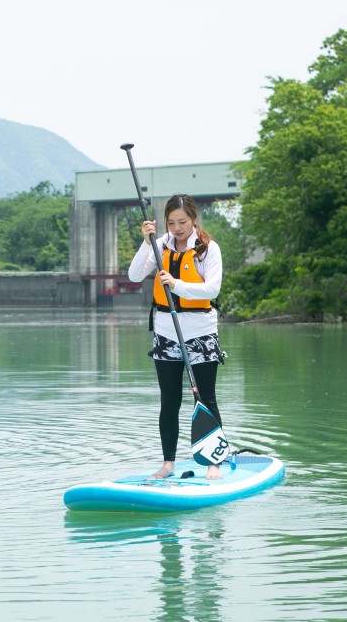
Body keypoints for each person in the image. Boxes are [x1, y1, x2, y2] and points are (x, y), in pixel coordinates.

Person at [127, 194, 227, 481]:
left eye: (182, 221)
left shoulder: (208, 250)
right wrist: (146, 243)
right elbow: (134, 276)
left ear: (193, 219)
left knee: (206, 399)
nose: (177, 227)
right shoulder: (159, 246)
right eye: (171, 222)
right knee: (169, 400)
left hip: (200, 333)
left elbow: (212, 290)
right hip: (166, 334)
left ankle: (213, 463)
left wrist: (177, 285)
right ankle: (168, 464)